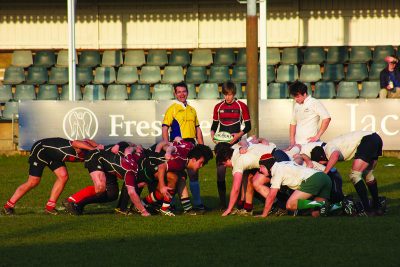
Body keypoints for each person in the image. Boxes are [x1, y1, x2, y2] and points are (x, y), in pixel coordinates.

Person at [2, 137, 102, 215]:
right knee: (33, 181)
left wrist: (98, 146)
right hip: (41, 151)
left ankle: (50, 207)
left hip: (54, 156)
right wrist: (94, 148)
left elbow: (89, 141)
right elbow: (77, 142)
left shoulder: (93, 156)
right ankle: (8, 206)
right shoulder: (82, 149)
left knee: (63, 176)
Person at [63, 142, 150, 216]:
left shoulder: (136, 159)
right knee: (100, 188)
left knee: (112, 195)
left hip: (109, 165)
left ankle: (121, 208)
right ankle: (72, 200)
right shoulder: (133, 164)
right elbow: (130, 144)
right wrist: (144, 211)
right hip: (96, 158)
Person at [308, 131, 384, 215]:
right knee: (368, 175)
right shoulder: (329, 146)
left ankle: (367, 210)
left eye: (321, 162)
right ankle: (377, 207)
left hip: (367, 140)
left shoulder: (328, 149)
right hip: (375, 138)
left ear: (321, 157)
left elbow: (335, 155)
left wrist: (325, 172)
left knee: (355, 175)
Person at [162, 82, 207, 211]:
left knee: (194, 174)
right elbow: (165, 128)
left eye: (184, 91)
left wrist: (201, 146)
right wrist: (167, 144)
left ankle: (198, 204)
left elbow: (198, 129)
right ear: (175, 94)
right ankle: (169, 204)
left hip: (191, 145)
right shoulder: (172, 109)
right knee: (177, 176)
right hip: (178, 145)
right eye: (179, 92)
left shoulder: (192, 110)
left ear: (187, 92)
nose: (182, 94)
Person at [140, 139, 213, 216]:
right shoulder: (180, 161)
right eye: (201, 163)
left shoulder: (189, 148)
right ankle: (162, 207)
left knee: (181, 177)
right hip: (148, 165)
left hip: (153, 161)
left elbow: (177, 139)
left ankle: (186, 208)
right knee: (173, 178)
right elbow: (162, 167)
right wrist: (162, 186)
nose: (201, 166)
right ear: (194, 159)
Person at [215, 140, 288, 216]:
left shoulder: (237, 163)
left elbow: (235, 189)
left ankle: (283, 206)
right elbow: (246, 140)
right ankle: (282, 204)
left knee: (292, 186)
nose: (225, 166)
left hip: (277, 160)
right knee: (256, 182)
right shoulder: (234, 149)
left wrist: (229, 209)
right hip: (277, 155)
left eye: (224, 163)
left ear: (227, 158)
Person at [210, 81, 251, 209]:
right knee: (220, 172)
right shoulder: (218, 107)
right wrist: (212, 135)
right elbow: (214, 125)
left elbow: (248, 126)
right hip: (222, 144)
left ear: (234, 93)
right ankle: (223, 203)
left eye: (230, 94)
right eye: (226, 94)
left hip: (236, 143)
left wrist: (238, 136)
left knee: (238, 172)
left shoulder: (241, 106)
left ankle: (240, 201)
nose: (228, 97)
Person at [253, 154, 332, 218]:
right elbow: (298, 160)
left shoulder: (277, 172)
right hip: (324, 177)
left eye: (261, 167)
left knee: (290, 205)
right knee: (317, 213)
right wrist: (299, 156)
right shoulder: (285, 163)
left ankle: (320, 204)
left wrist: (264, 214)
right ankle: (337, 206)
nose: (260, 170)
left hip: (313, 179)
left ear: (265, 166)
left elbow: (271, 196)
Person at [287, 81, 331, 149]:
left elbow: (327, 118)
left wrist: (317, 136)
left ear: (304, 94)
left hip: (310, 144)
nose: (295, 99)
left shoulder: (314, 102)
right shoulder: (296, 105)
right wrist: (292, 141)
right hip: (297, 144)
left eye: (297, 96)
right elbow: (293, 123)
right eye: (294, 97)